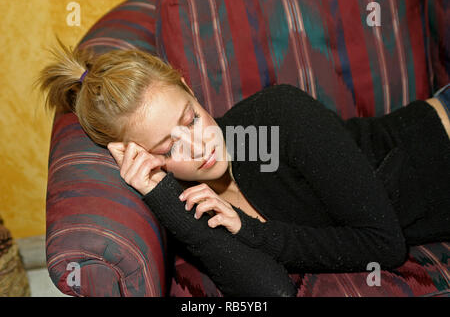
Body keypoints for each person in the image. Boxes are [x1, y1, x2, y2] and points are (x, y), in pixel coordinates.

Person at [37, 40, 450, 297]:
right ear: (143, 160)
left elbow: (383, 246)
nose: (200, 146)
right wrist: (162, 197)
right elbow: (269, 291)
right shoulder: (190, 209)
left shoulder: (278, 116)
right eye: (169, 146)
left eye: (192, 118)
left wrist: (252, 231)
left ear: (190, 89)